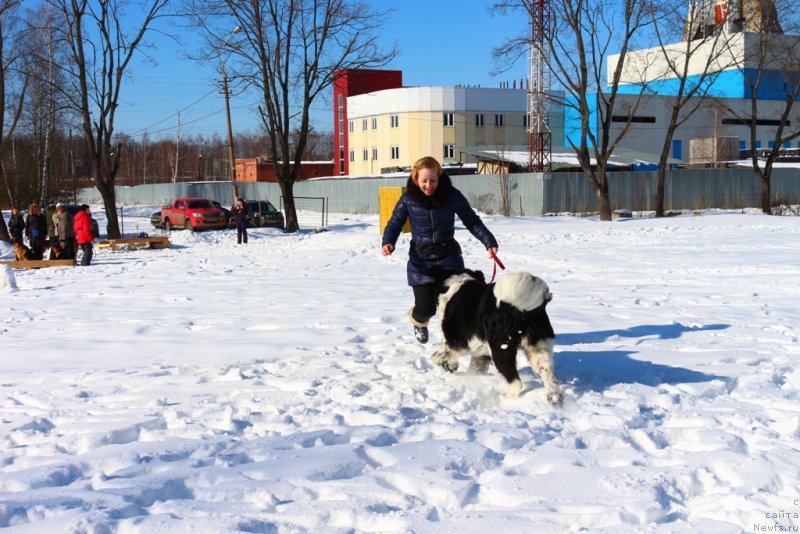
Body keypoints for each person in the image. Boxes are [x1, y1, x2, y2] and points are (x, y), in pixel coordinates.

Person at [381, 156, 498, 344]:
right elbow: (395, 223)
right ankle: (419, 322)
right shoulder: (408, 199)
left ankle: (461, 341)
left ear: (440, 176)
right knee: (426, 309)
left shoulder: (452, 195)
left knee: (459, 305)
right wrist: (388, 241)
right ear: (416, 179)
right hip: (421, 263)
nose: (429, 185)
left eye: (433, 180)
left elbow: (472, 220)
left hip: (449, 259)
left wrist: (488, 241)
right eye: (424, 180)